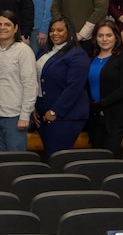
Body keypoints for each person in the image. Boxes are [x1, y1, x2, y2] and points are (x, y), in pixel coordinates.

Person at [34, 17, 90, 157]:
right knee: (48, 156)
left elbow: (74, 87)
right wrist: (33, 107)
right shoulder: (43, 52)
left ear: (69, 32)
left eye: (60, 30)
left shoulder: (77, 54)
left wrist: (55, 111)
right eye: (52, 30)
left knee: (58, 158)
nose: (55, 33)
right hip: (43, 113)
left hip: (66, 116)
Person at [0, 10, 37, 152]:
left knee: (16, 162)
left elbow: (30, 85)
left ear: (15, 28)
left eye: (7, 24)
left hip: (15, 116)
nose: (2, 27)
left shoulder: (24, 51)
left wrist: (25, 116)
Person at [86, 20, 123, 155]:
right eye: (100, 35)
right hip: (96, 118)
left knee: (110, 159)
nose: (104, 39)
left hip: (115, 117)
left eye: (109, 35)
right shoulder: (91, 60)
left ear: (116, 37)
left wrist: (102, 104)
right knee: (96, 158)